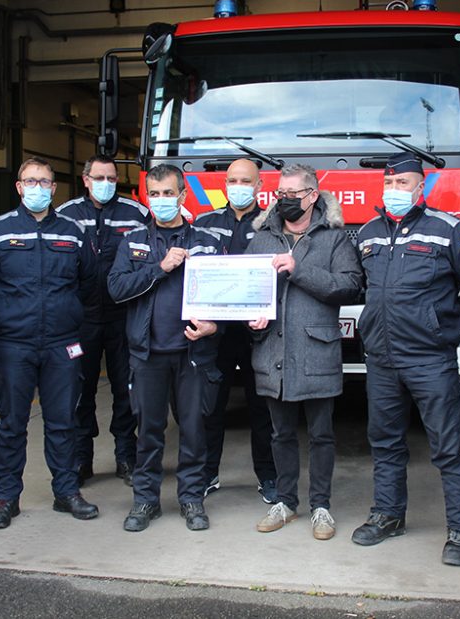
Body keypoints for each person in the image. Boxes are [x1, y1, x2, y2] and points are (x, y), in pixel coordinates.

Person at [351, 152, 460, 566]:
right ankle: (389, 514)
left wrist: (445, 321)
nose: (394, 191)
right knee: (385, 442)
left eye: (403, 184)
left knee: (447, 446)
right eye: (389, 184)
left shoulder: (448, 230)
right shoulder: (370, 233)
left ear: (421, 187)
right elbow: (360, 285)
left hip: (430, 359)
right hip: (381, 358)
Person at [0, 157, 99, 529]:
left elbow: (90, 283)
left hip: (62, 343)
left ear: (54, 188)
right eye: (31, 182)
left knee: (63, 422)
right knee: (11, 424)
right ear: (18, 187)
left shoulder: (74, 232)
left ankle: (66, 492)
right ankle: (6, 498)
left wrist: (68, 313)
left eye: (44, 182)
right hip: (13, 344)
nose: (38, 189)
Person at [246, 163, 362, 541]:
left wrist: (298, 269)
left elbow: (348, 287)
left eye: (293, 195)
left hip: (316, 352)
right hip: (273, 352)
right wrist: (251, 316)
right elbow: (246, 288)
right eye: (280, 195)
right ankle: (285, 501)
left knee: (322, 434)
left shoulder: (334, 239)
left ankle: (321, 506)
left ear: (312, 196)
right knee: (280, 433)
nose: (285, 201)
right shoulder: (262, 237)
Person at [108, 164, 223, 532]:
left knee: (193, 429)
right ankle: (145, 501)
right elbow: (117, 288)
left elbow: (228, 295)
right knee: (150, 430)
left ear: (183, 196)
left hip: (192, 354)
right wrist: (160, 267)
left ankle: (191, 498)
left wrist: (214, 325)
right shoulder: (134, 242)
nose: (161, 201)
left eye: (168, 193)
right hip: (148, 355)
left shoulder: (206, 241)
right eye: (154, 194)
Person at [57, 156, 149, 488]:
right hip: (81, 319)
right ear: (85, 179)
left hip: (124, 316)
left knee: (127, 389)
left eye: (111, 177)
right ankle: (82, 458)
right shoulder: (66, 215)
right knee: (80, 390)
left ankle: (126, 456)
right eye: (99, 177)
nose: (106, 183)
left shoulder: (136, 214)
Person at [193, 158, 277, 503]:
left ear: (259, 186)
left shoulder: (273, 225)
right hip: (216, 333)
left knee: (262, 408)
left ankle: (269, 477)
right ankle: (207, 473)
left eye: (245, 181)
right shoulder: (205, 222)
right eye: (232, 180)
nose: (237, 186)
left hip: (259, 333)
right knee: (211, 406)